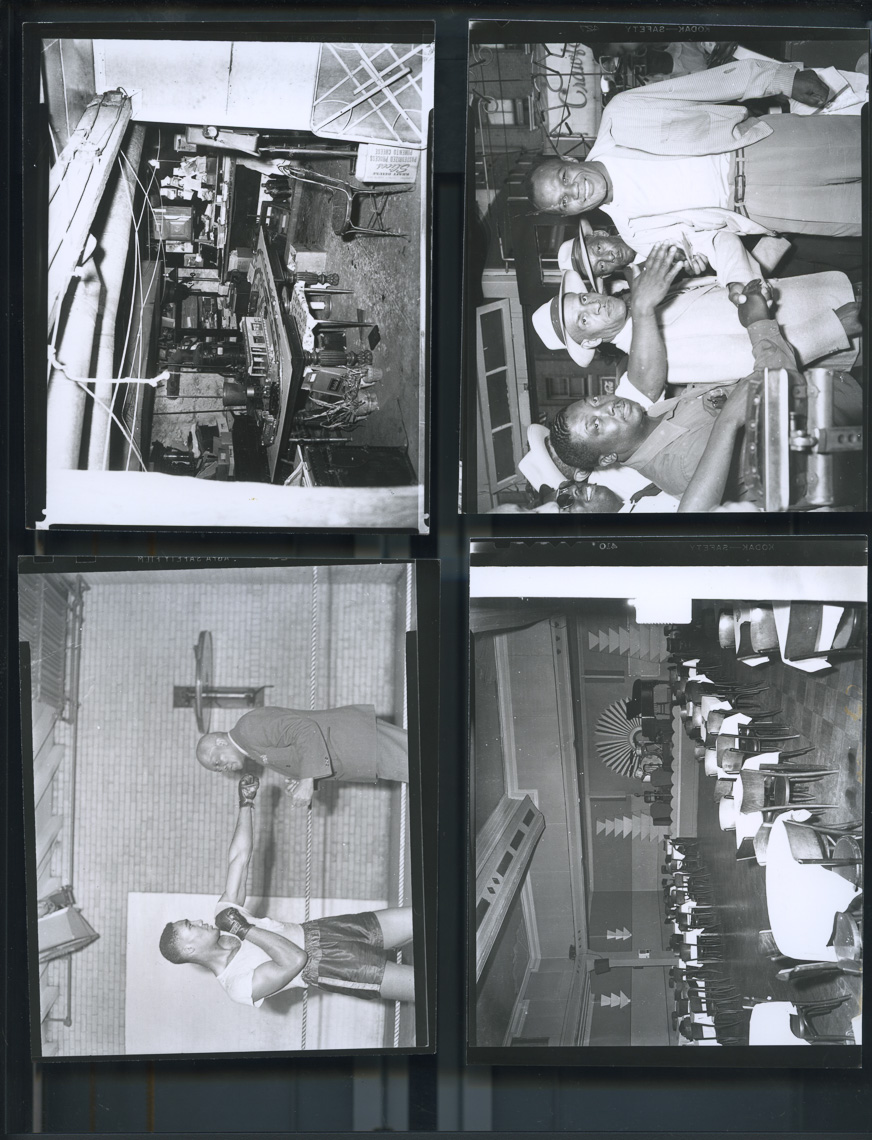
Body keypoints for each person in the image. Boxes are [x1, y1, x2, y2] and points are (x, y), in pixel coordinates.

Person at [523, 59, 862, 287]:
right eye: (564, 202)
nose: (575, 191)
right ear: (569, 214)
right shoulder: (635, 234)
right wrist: (723, 274)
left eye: (564, 178)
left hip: (766, 145)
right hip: (766, 210)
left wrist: (783, 79)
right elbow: (713, 242)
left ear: (567, 160)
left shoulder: (622, 113)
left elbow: (711, 84)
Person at [547, 283, 862, 502]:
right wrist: (759, 323)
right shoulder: (684, 465)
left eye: (595, 401)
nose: (607, 408)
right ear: (608, 458)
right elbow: (782, 415)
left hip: (838, 391)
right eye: (596, 424)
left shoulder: (652, 419)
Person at [159, 776, 415, 1006]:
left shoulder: (224, 915)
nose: (198, 920)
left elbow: (239, 858)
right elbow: (295, 960)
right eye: (190, 926)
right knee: (421, 986)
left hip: (324, 929)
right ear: (190, 950)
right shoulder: (237, 985)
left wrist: (246, 804)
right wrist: (244, 929)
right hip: (329, 967)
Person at [534, 241, 860, 388]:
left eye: (584, 299)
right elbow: (752, 362)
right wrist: (835, 328)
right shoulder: (655, 359)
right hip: (848, 329)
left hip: (829, 289)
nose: (594, 306)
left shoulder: (645, 299)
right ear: (591, 341)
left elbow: (731, 295)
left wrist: (773, 242)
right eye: (584, 320)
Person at [197, 705, 408, 806]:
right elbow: (298, 746)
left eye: (217, 762)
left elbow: (304, 730)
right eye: (217, 770)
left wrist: (307, 782)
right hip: (359, 751)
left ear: (220, 742)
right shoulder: (250, 747)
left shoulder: (248, 729)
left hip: (359, 742)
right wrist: (303, 778)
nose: (221, 769)